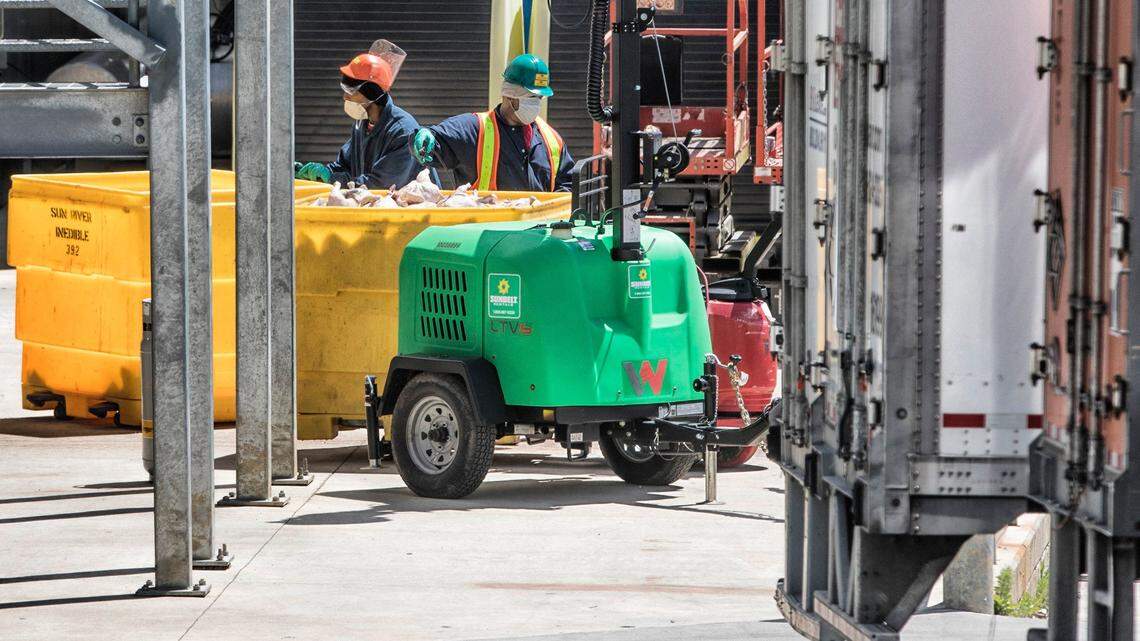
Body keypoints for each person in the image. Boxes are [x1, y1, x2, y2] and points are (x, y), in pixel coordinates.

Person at [410, 54, 573, 192]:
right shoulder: (473, 129)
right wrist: (421, 137)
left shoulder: (552, 141)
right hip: (483, 227)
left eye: (539, 98)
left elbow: (567, 188)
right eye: (530, 98)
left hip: (537, 228)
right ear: (509, 95)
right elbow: (431, 144)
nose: (536, 104)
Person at [295, 39, 431, 188]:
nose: (345, 97)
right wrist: (320, 173)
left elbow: (380, 184)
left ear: (371, 93)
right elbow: (346, 166)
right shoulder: (363, 124)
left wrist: (333, 179)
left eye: (350, 91)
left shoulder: (404, 132)